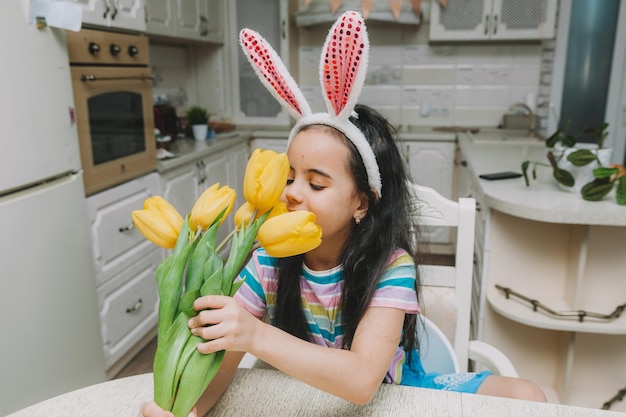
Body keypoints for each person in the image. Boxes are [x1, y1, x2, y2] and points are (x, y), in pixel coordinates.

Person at [139, 12, 546, 417]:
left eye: (316, 184)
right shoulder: (267, 260)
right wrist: (189, 413)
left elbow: (363, 381)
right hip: (298, 396)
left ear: (362, 203)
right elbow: (220, 364)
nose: (293, 194)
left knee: (527, 394)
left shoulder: (391, 266)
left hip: (392, 394)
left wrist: (256, 336)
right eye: (290, 176)